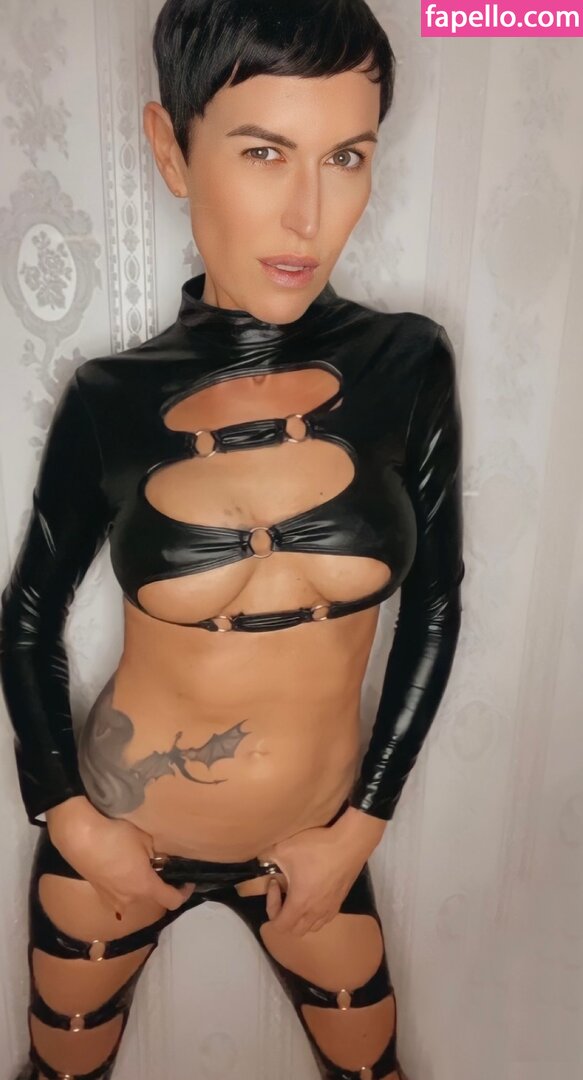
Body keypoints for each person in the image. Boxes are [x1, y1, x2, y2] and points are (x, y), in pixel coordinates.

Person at [0, 1, 465, 1078]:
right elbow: (28, 615)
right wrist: (70, 819)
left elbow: (436, 602)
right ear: (172, 150)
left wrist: (361, 828)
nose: (307, 213)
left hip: (313, 851)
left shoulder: (407, 365)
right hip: (120, 838)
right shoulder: (111, 399)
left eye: (345, 156)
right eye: (263, 152)